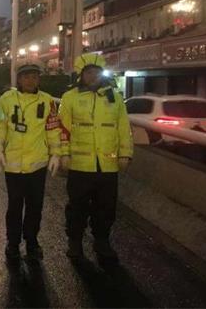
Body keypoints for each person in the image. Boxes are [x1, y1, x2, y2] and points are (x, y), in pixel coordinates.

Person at [58, 53, 133, 261]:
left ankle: (102, 241)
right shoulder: (70, 97)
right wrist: (64, 154)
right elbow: (62, 129)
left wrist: (125, 153)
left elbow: (123, 128)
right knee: (77, 208)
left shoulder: (114, 97)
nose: (93, 76)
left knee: (106, 208)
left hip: (107, 165)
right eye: (89, 72)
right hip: (79, 164)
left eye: (97, 72)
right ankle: (75, 242)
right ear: (81, 75)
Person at [0, 62, 62, 261]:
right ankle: (13, 243)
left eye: (34, 76)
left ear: (39, 79)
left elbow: (53, 129)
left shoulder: (47, 101)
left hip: (37, 164)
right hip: (13, 163)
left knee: (35, 206)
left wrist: (56, 153)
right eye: (26, 76)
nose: (30, 80)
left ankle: (32, 241)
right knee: (14, 206)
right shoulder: (6, 99)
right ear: (19, 79)